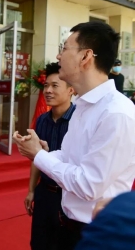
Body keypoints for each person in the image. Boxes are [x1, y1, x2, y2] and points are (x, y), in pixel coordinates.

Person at [13, 21, 135, 249]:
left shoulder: (116, 113)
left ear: (85, 57)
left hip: (93, 231)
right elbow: (70, 157)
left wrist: (40, 157)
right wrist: (44, 152)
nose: (59, 56)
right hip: (66, 221)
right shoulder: (83, 105)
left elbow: (88, 185)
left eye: (64, 48)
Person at [24, 62, 75, 250]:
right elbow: (37, 158)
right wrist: (31, 190)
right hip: (44, 192)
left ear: (71, 90)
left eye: (55, 86)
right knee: (39, 242)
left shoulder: (78, 120)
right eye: (46, 85)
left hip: (68, 194)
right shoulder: (42, 120)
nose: (48, 90)